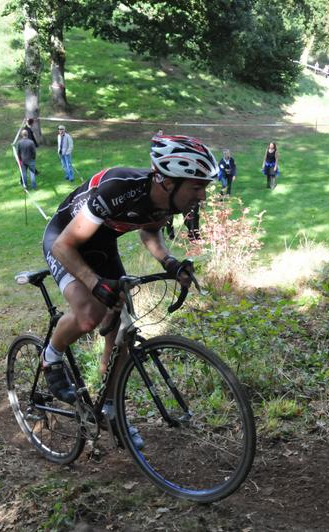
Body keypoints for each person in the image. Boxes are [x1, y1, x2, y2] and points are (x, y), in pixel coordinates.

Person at [39, 134, 217, 427]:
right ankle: (51, 357)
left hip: (102, 244)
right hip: (64, 239)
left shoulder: (166, 202)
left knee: (123, 326)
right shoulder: (120, 189)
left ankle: (110, 409)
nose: (203, 197)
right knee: (90, 314)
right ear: (169, 182)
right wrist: (95, 284)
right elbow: (63, 247)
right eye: (197, 187)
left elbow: (149, 231)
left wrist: (170, 262)